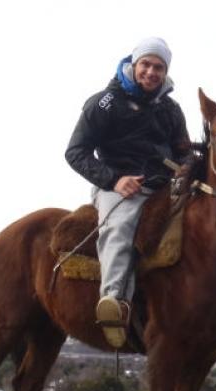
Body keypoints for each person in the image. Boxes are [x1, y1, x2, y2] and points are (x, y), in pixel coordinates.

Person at [65, 37, 191, 348]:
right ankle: (114, 302)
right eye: (146, 64)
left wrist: (187, 167)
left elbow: (183, 151)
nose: (151, 72)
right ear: (133, 65)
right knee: (120, 226)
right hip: (118, 187)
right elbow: (76, 152)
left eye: (159, 67)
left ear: (165, 72)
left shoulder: (171, 109)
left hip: (163, 186)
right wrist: (114, 180)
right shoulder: (104, 103)